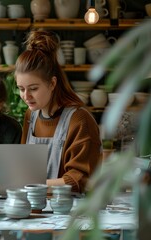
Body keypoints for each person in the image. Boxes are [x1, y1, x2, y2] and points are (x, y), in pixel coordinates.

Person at [14, 30, 102, 193]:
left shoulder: (80, 120)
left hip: (72, 211)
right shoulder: (31, 116)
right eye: (21, 89)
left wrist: (34, 187)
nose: (26, 96)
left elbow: (80, 180)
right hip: (37, 206)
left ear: (52, 83)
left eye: (33, 88)